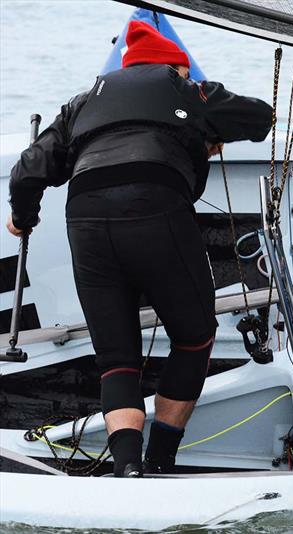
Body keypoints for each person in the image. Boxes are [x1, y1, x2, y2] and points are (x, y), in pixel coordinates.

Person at [6, 21, 273, 477]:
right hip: (155, 208)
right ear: (176, 68)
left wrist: (23, 217)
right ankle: (161, 462)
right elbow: (260, 117)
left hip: (86, 219)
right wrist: (206, 131)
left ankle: (128, 470)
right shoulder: (185, 87)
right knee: (193, 338)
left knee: (116, 359)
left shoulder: (82, 103)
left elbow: (28, 171)